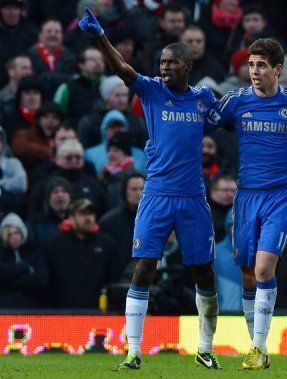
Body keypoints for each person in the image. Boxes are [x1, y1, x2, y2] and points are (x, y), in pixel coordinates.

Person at [79, 7, 222, 370]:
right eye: (161, 62)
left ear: (188, 66)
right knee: (143, 268)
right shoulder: (151, 91)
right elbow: (123, 70)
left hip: (193, 198)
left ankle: (205, 348)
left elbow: (230, 122)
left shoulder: (203, 98)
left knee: (202, 272)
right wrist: (99, 38)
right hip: (156, 195)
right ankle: (133, 351)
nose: (164, 68)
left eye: (172, 63)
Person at [206, 38, 287, 370]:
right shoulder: (236, 101)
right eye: (251, 65)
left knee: (262, 269)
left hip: (281, 197)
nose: (254, 71)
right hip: (246, 198)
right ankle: (253, 344)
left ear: (277, 70)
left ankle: (259, 347)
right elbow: (205, 120)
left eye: (261, 65)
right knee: (247, 274)